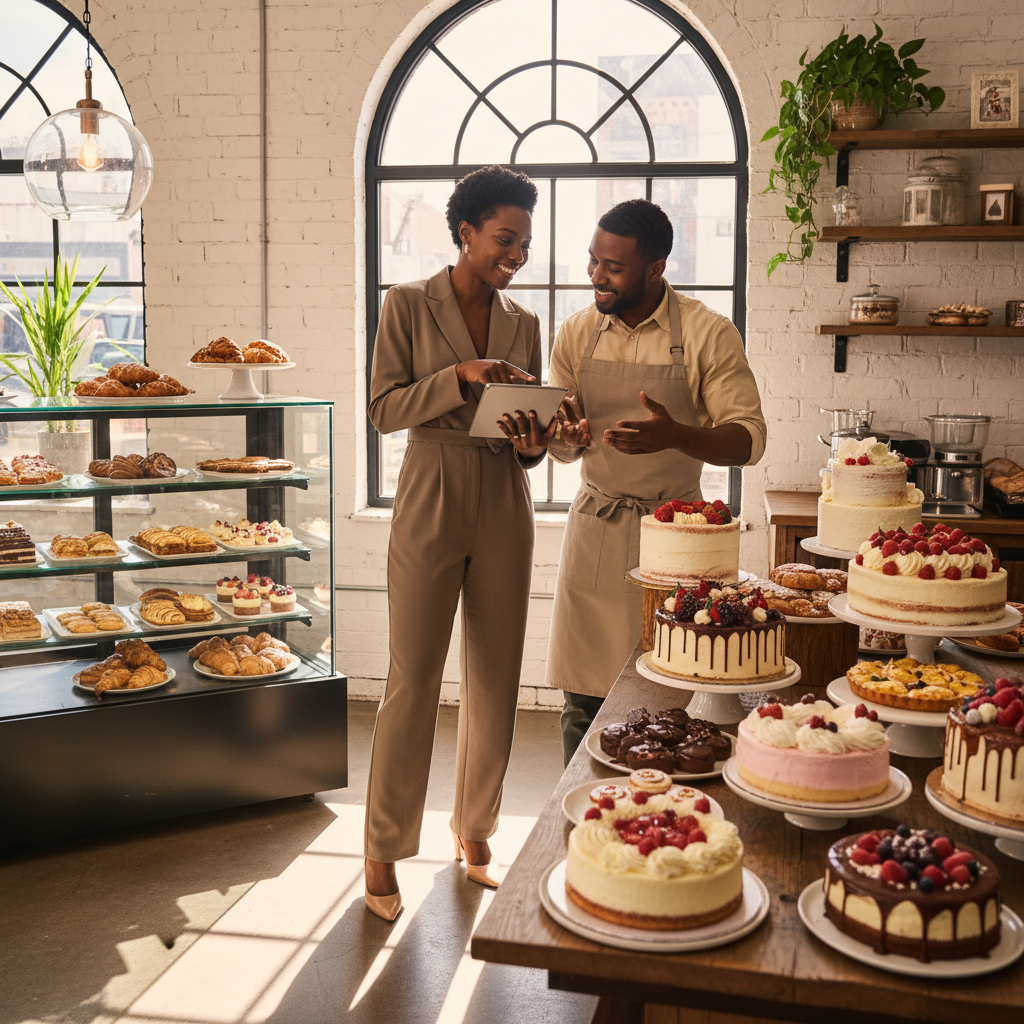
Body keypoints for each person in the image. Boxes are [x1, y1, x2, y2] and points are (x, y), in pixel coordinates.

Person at [363, 165, 557, 921]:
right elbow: (384, 409)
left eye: (526, 243)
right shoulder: (406, 305)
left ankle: (475, 833)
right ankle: (382, 848)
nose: (517, 254)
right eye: (506, 238)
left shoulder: (525, 324)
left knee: (497, 674)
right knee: (413, 675)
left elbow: (528, 439)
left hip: (505, 494)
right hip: (432, 486)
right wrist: (461, 374)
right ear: (466, 230)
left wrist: (539, 440)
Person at [544, 199, 767, 766]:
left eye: (613, 267)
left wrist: (676, 435)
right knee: (582, 701)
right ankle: (584, 818)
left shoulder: (706, 332)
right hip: (596, 528)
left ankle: (664, 823)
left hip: (679, 533)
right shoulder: (575, 333)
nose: (596, 276)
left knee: (673, 695)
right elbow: (562, 447)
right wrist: (566, 437)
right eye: (593, 261)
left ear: (656, 268)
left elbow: (747, 439)